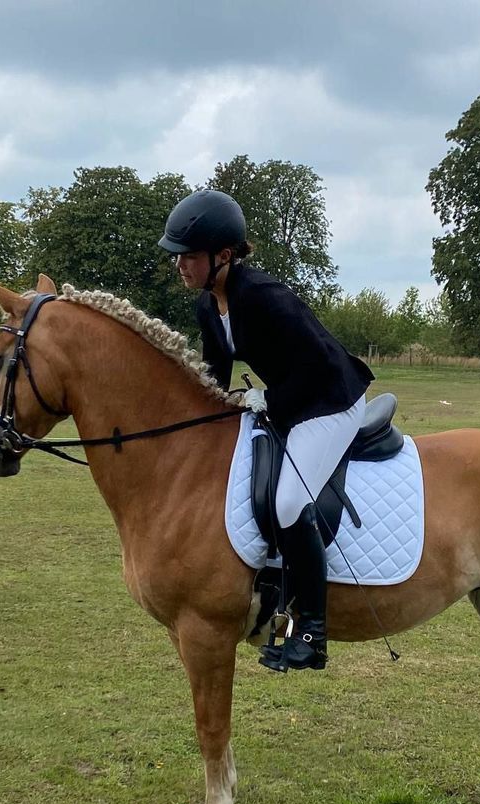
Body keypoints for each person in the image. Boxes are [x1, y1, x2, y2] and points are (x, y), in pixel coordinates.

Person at [159, 190, 374, 672]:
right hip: (292, 402)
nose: (181, 265)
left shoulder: (264, 296)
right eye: (179, 256)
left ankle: (313, 632)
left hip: (332, 399)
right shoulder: (207, 309)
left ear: (225, 256)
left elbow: (319, 365)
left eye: (190, 256)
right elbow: (213, 377)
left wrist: (268, 401)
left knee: (290, 502)